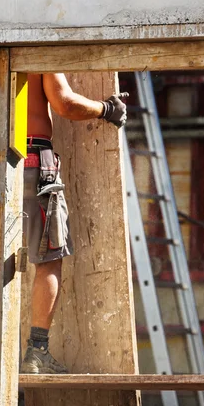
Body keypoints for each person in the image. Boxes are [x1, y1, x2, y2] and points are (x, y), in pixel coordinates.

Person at [20, 73, 128, 374]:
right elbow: (64, 103)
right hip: (31, 156)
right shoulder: (38, 43)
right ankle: (37, 351)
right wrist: (106, 109)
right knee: (48, 259)